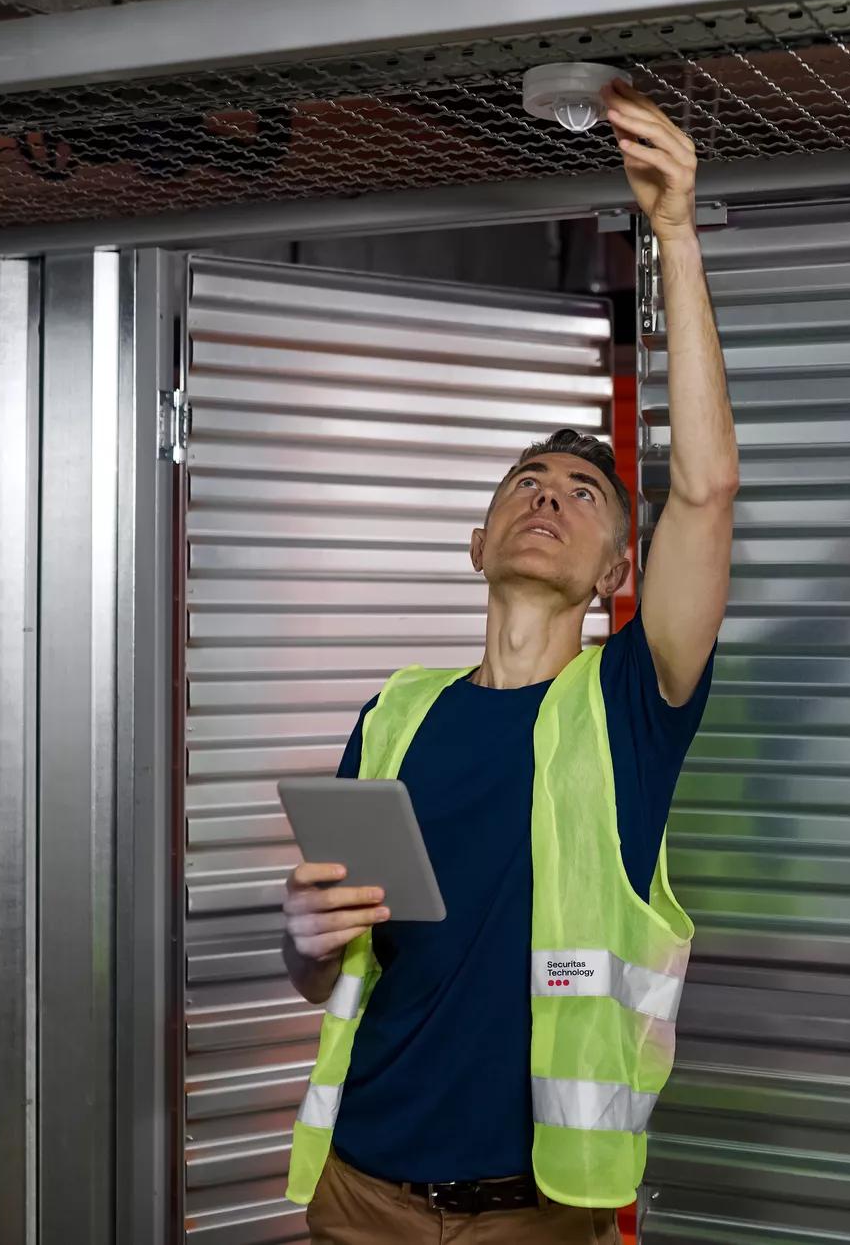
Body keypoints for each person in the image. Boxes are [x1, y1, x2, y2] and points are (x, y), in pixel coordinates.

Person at [277, 80, 737, 1245]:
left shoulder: (630, 703)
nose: (549, 496)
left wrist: (672, 231)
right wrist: (303, 937)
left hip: (536, 1217)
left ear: (613, 577)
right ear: (477, 542)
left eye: (584, 494)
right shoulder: (394, 712)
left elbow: (705, 489)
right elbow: (333, 965)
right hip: (359, 1192)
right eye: (524, 483)